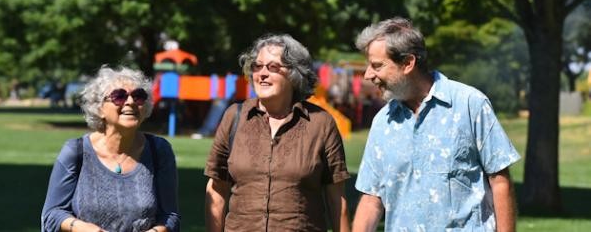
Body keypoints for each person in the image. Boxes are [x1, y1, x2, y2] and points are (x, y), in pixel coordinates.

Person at [351, 18, 521, 232]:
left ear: (408, 63)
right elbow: (371, 198)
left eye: (377, 66)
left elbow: (500, 181)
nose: (368, 75)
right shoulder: (382, 122)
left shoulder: (469, 104)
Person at [204, 34, 351, 232]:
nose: (262, 73)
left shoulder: (320, 123)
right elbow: (216, 189)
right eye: (257, 66)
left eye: (272, 67)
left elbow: (336, 200)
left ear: (294, 74)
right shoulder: (233, 117)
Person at [41, 66, 180, 232]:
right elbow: (52, 214)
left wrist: (156, 231)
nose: (130, 102)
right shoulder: (76, 151)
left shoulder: (159, 150)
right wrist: (81, 228)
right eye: (119, 96)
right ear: (99, 108)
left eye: (138, 96)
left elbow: (170, 215)